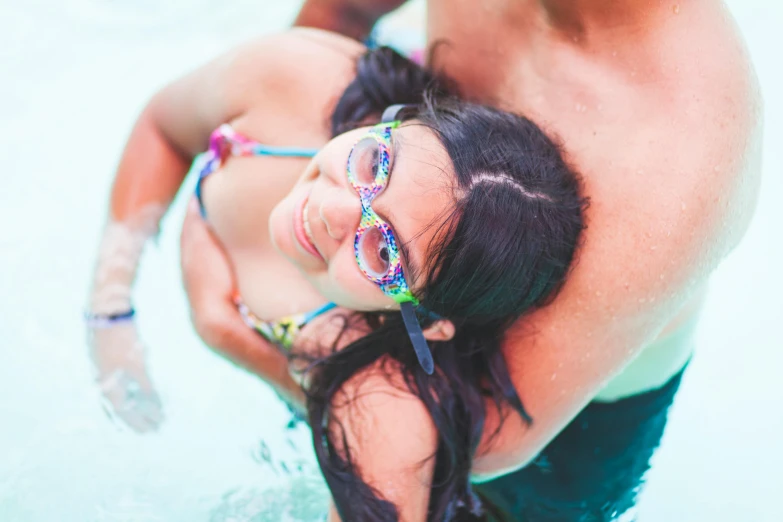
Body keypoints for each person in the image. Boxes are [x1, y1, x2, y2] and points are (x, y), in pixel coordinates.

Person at [181, 1, 763, 520]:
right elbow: (340, 17)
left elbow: (482, 443)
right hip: (391, 273)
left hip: (549, 426)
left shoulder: (684, 145)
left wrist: (243, 337)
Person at [86, 28, 587, 521]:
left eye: (383, 251)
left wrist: (245, 346)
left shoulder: (378, 398)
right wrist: (111, 305)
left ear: (428, 322)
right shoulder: (295, 81)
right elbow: (163, 126)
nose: (335, 211)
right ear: (402, 123)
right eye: (376, 164)